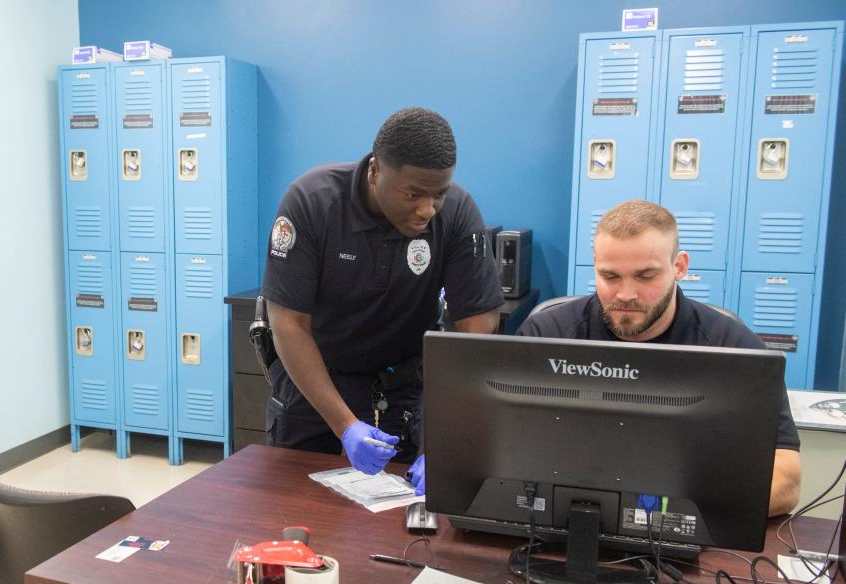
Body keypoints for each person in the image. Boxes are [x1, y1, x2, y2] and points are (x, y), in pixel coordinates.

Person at [261, 108, 504, 491]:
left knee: (403, 519)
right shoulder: (311, 202)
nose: (427, 210)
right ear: (376, 171)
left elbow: (477, 329)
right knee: (296, 504)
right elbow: (288, 325)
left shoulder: (456, 211)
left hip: (401, 387)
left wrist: (446, 439)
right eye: (413, 194)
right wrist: (346, 426)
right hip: (315, 382)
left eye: (438, 194)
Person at [517, 199, 801, 516]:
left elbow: (786, 480)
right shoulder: (547, 334)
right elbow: (505, 448)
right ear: (595, 263)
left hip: (685, 538)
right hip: (562, 523)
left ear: (679, 267)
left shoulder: (734, 347)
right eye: (610, 276)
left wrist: (678, 514)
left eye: (645, 276)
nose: (625, 294)